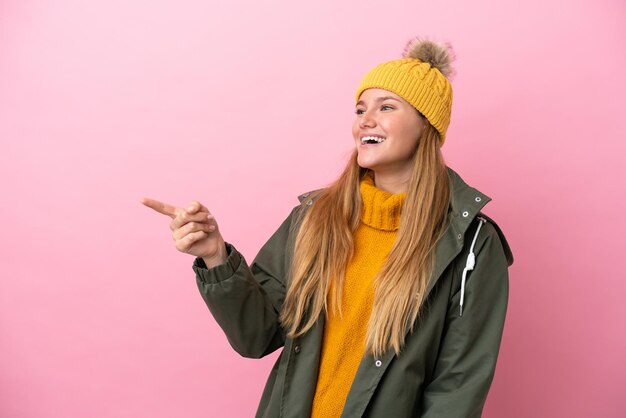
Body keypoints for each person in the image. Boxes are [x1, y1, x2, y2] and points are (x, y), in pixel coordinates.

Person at [141, 37, 514, 418]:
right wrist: (216, 257)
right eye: (360, 109)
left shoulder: (470, 244)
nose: (365, 120)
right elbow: (256, 336)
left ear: (426, 124)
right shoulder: (315, 218)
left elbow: (458, 386)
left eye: (386, 107)